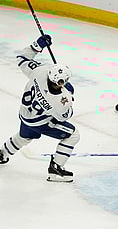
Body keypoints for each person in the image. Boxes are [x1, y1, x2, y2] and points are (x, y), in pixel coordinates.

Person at [0, 35, 79, 182]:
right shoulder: (61, 100)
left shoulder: (40, 72)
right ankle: (56, 169)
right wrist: (70, 94)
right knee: (73, 135)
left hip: (25, 114)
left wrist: (37, 45)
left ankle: (2, 153)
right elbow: (64, 116)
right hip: (39, 122)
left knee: (25, 136)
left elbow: (22, 59)